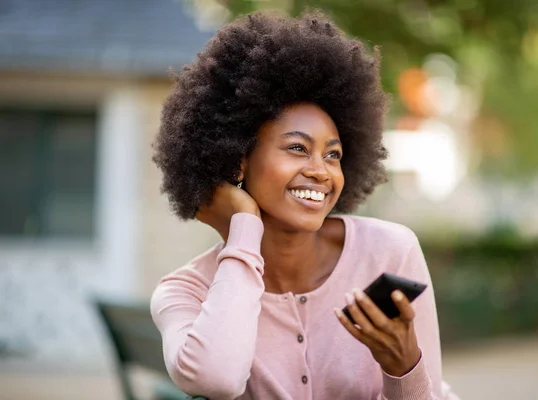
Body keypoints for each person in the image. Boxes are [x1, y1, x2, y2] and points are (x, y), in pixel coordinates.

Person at [151, 9, 459, 400]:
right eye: (298, 148)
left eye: (333, 155)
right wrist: (243, 225)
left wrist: (403, 369)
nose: (321, 172)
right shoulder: (186, 290)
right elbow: (217, 380)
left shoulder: (390, 252)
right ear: (237, 159)